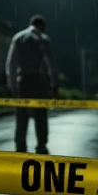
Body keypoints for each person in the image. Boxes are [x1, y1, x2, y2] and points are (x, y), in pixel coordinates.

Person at [6, 15, 59, 154]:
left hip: (22, 81)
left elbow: (11, 63)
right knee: (41, 115)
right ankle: (41, 145)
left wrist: (12, 85)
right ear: (42, 26)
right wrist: (54, 84)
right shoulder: (44, 39)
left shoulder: (18, 37)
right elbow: (51, 64)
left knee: (21, 116)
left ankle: (20, 145)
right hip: (39, 81)